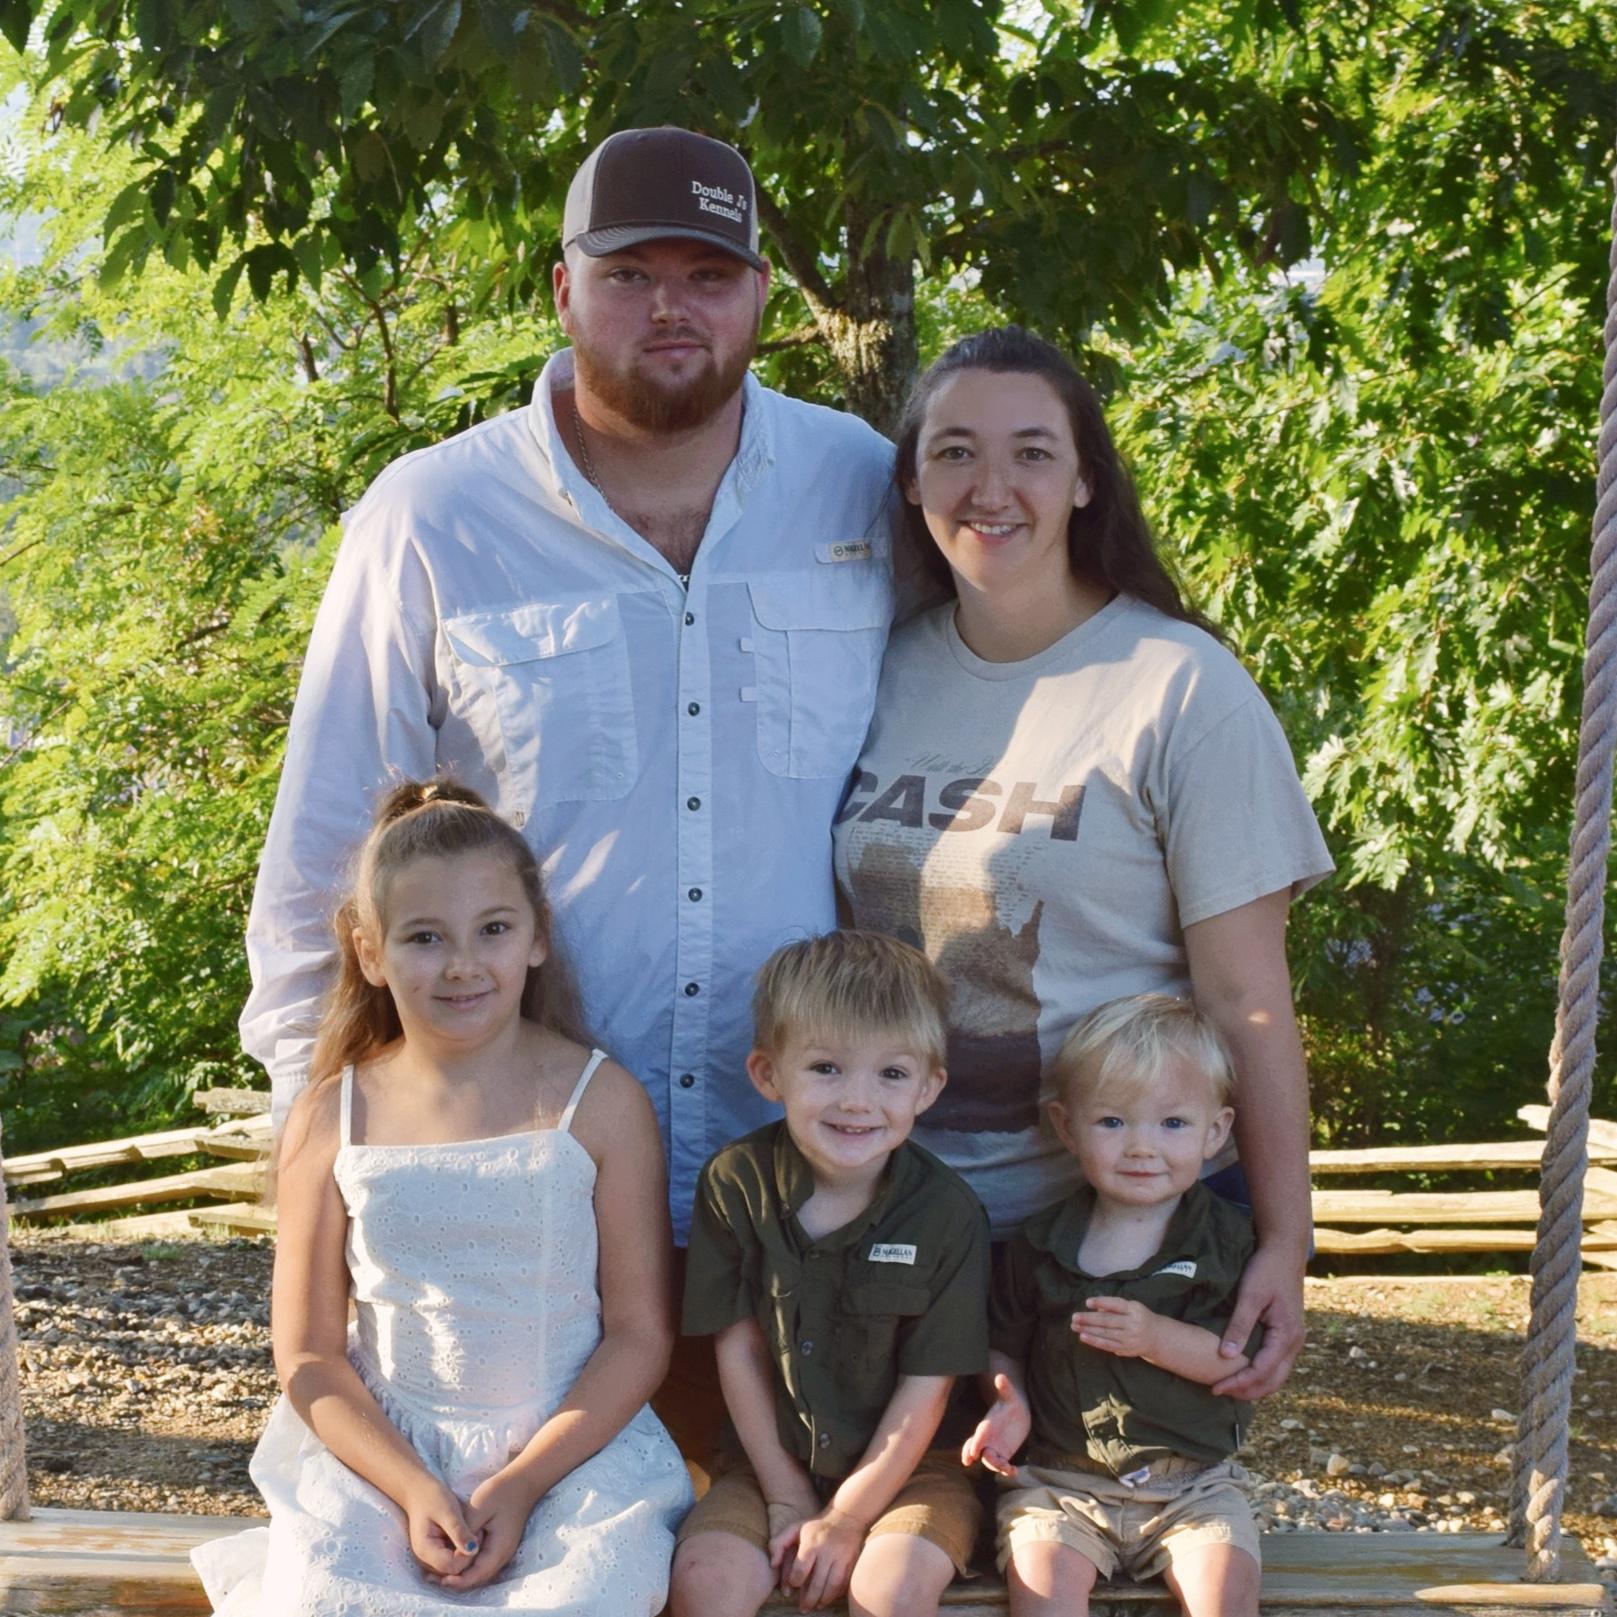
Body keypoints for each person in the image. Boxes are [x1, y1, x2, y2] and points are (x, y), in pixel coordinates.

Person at [240, 126, 896, 1248]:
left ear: (760, 293)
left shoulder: (865, 486)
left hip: (812, 1188)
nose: (669, 308)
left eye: (707, 275)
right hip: (514, 1186)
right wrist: (320, 1151)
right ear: (562, 291)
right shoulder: (432, 517)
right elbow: (325, 855)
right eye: (628, 275)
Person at [833, 325, 1333, 1401]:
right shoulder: (876, 668)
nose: (991, 487)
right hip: (897, 1218)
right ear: (911, 479)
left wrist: (1285, 1239)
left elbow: (1245, 998)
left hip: (1112, 1237)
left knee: (1086, 1506)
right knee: (890, 1500)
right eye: (955, 452)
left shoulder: (1179, 687)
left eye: (1032, 452)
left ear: (1085, 482)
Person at [191, 781, 692, 1614]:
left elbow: (638, 1334)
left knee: (580, 1599)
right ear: (370, 951)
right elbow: (308, 1354)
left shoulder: (600, 1102)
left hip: (568, 1455)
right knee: (327, 1600)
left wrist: (522, 1482)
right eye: (425, 937)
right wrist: (413, 1486)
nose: (462, 964)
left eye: (493, 929)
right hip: (383, 1459)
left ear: (537, 935)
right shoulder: (332, 1115)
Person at [672, 931, 990, 1617]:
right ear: (768, 1074)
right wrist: (786, 1493)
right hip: (767, 1460)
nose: (856, 1100)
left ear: (929, 1087)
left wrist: (846, 1517)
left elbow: (927, 1389)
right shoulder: (735, 1184)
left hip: (913, 1470)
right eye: (825, 1068)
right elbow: (739, 1349)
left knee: (890, 1589)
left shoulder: (947, 1213)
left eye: (891, 1074)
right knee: (705, 1579)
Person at [963, 994, 1260, 1617]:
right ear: (1067, 1127)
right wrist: (1008, 1400)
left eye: (1172, 1124)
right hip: (1061, 1484)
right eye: (1112, 1122)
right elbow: (1002, 1344)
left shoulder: (1227, 1241)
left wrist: (1156, 1338)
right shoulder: (1039, 1243)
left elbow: (1239, 1361)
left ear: (1216, 1131)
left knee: (1224, 1595)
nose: (1142, 1147)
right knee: (1041, 1588)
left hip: (1193, 1485)